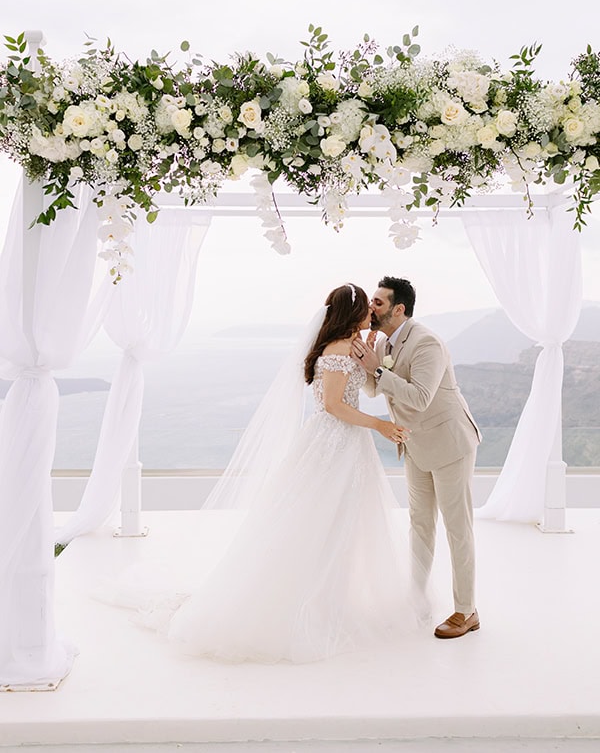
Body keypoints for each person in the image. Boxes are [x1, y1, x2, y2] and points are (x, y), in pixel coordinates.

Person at [132, 283, 422, 663]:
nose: (372, 310)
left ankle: (328, 602)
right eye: (366, 306)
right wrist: (379, 425)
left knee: (340, 524)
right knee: (321, 523)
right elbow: (334, 405)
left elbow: (356, 389)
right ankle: (307, 607)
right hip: (334, 445)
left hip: (345, 444)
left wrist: (368, 353)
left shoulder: (345, 346)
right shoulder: (337, 351)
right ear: (352, 313)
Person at [351, 276, 481, 640]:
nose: (371, 307)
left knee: (458, 528)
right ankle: (417, 601)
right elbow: (376, 389)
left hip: (450, 444)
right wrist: (365, 364)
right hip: (415, 446)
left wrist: (377, 368)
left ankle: (466, 611)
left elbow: (421, 397)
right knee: (420, 525)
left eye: (377, 302)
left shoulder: (426, 342)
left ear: (398, 309)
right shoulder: (385, 342)